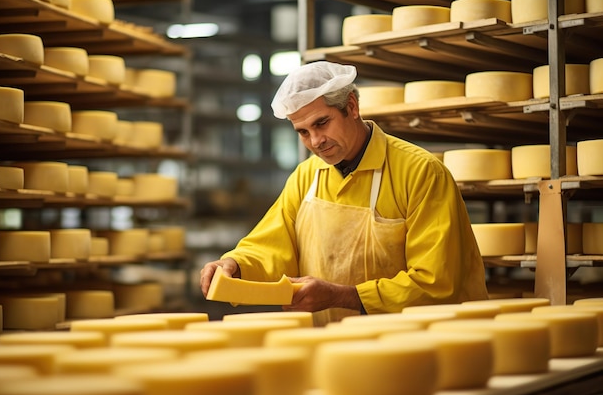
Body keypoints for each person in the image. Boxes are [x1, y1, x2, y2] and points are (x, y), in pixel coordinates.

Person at [200, 61, 488, 326]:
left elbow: (437, 282)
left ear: (351, 107)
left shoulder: (420, 172)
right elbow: (271, 246)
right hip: (335, 349)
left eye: (321, 123)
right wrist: (235, 266)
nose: (315, 141)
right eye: (302, 132)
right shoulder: (306, 176)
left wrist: (343, 296)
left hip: (415, 348)